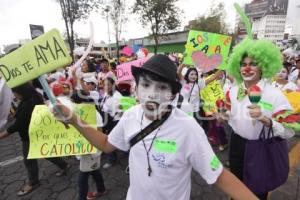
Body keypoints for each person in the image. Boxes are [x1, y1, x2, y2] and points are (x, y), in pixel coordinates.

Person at [51, 54, 258, 200]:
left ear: (172, 95)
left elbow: (219, 175)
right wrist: (73, 121)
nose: (152, 94)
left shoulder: (188, 129)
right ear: (136, 90)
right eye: (146, 85)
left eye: (161, 87)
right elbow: (106, 144)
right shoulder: (131, 115)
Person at [224, 38, 295, 199]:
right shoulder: (234, 91)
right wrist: (223, 116)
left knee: (257, 190)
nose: (247, 68)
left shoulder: (275, 94)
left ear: (263, 66)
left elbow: (289, 131)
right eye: (243, 64)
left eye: (253, 63)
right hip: (236, 144)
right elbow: (232, 117)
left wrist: (265, 119)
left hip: (261, 147)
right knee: (236, 185)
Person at [0, 83, 70, 196]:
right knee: (46, 153)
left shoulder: (29, 103)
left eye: (15, 92)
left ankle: (33, 182)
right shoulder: (33, 96)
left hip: (29, 136)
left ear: (21, 92)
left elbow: (17, 126)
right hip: (36, 133)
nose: (14, 95)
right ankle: (64, 165)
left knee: (29, 160)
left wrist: (2, 135)